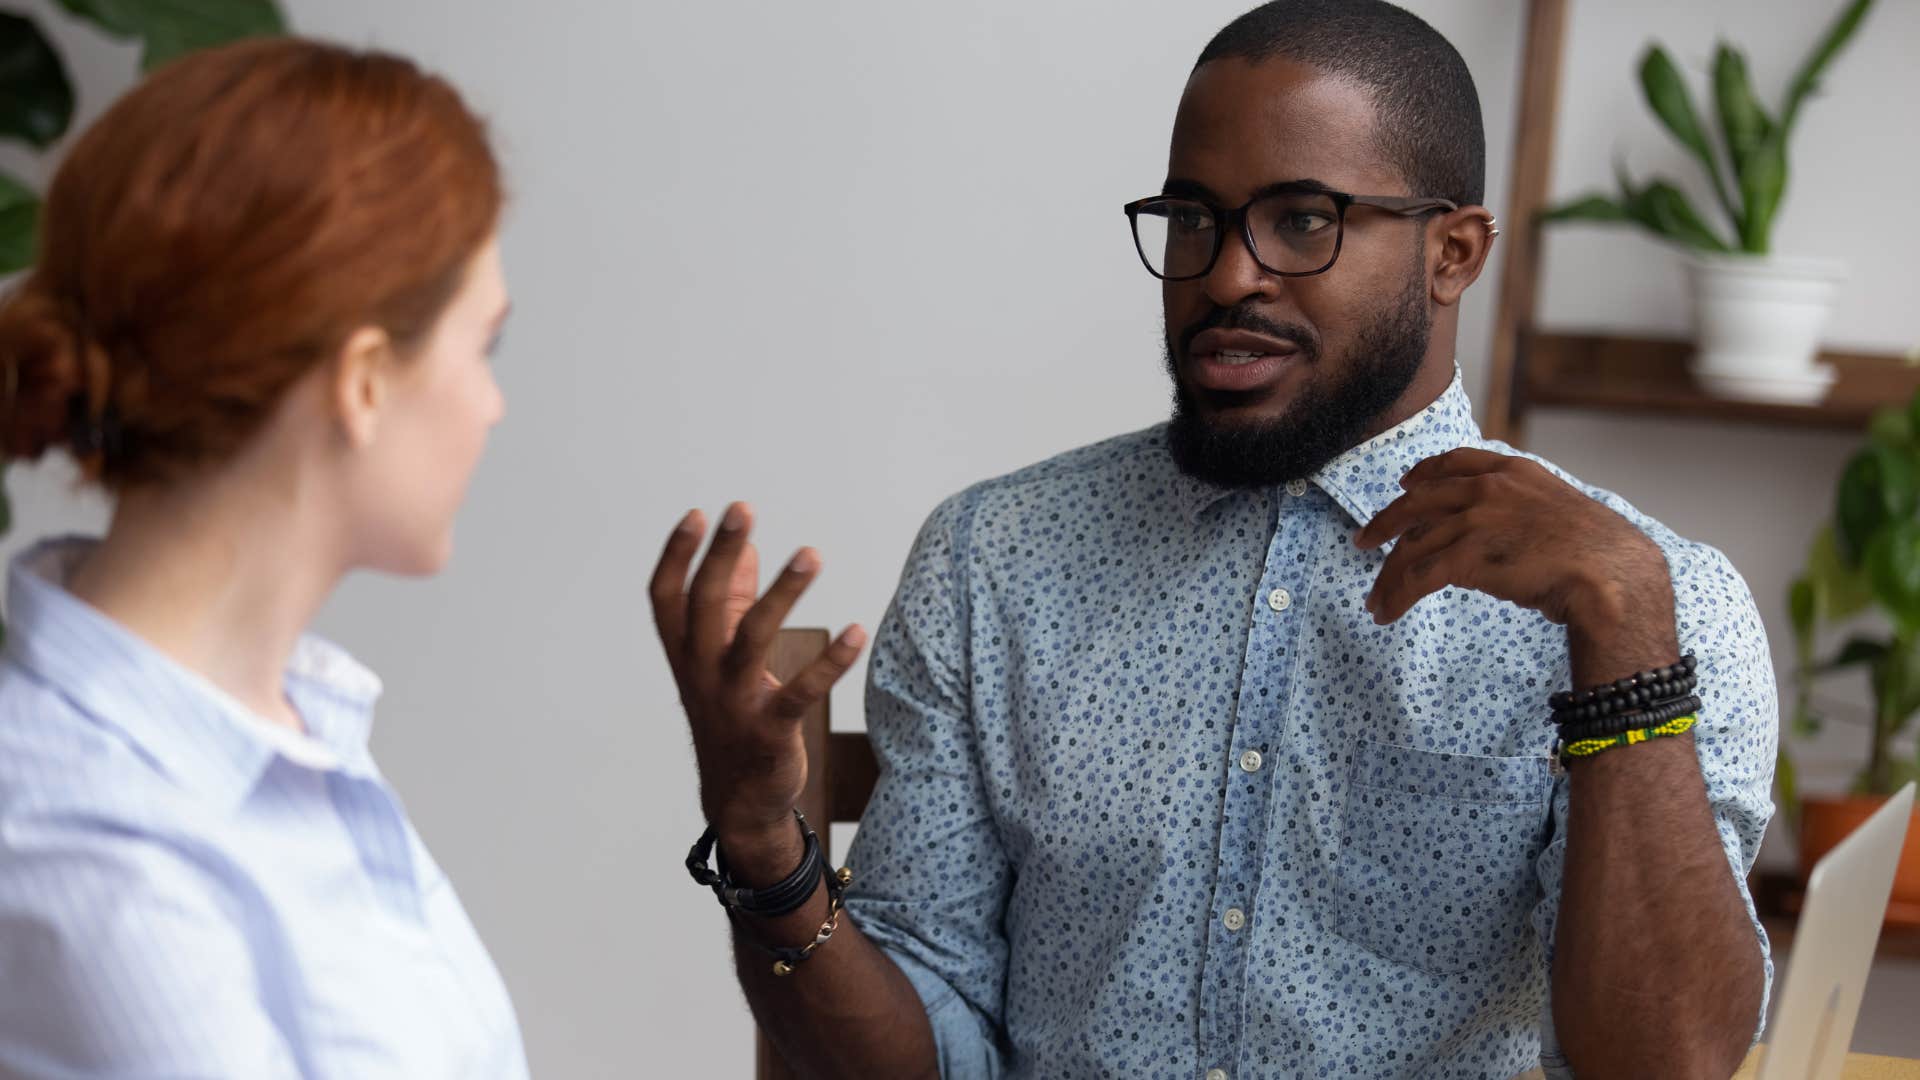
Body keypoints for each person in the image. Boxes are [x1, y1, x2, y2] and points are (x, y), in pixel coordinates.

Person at [653, 1, 1776, 1077]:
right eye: (1194, 218)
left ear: (1455, 254)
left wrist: (1627, 649)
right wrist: (762, 846)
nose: (1228, 276)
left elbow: (1666, 1064)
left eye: (1305, 219)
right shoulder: (992, 561)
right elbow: (918, 1060)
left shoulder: (1643, 598)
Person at [0, 38, 527, 1077]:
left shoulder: (293, 732)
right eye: (485, 348)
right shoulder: (84, 845)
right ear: (366, 380)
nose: (493, 405)